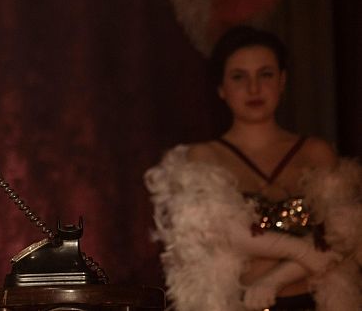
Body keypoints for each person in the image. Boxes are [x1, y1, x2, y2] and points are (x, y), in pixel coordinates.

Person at [145, 25, 362, 311]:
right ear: (221, 88)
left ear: (282, 80)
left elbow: (344, 238)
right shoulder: (205, 157)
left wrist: (273, 280)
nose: (254, 88)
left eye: (266, 74)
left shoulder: (314, 153)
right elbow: (216, 234)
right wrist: (300, 250)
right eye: (239, 77)